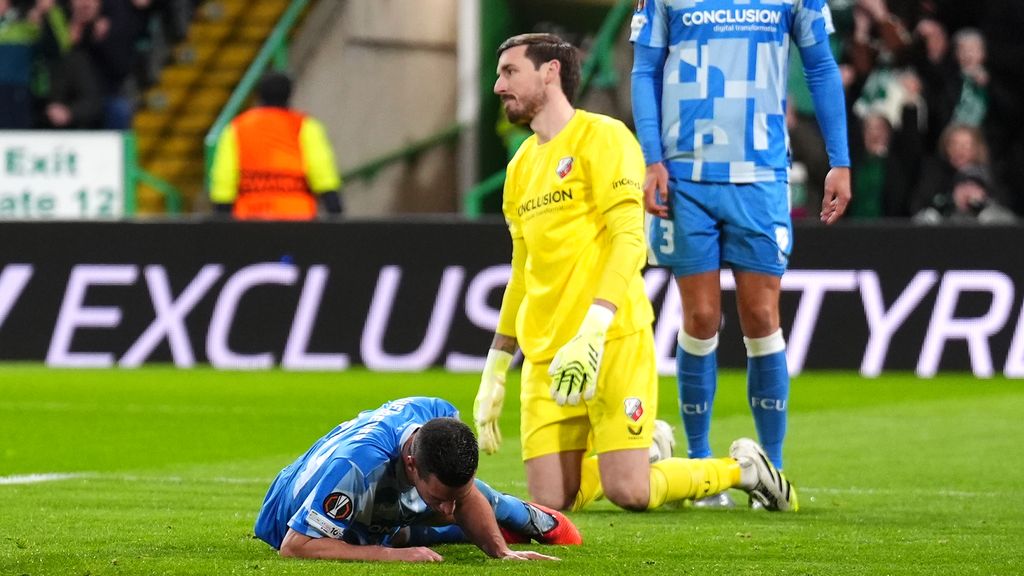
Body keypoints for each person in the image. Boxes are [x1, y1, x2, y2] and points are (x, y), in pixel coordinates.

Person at [473, 33, 797, 515]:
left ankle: (745, 470)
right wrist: (497, 365)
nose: (499, 86)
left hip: (613, 340)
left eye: (509, 72)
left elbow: (630, 240)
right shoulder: (520, 166)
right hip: (546, 355)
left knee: (631, 492)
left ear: (550, 72)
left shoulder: (603, 138)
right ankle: (647, 451)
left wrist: (593, 329)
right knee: (549, 506)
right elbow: (523, 268)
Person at [629, 1, 851, 505]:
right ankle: (702, 464)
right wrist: (651, 158)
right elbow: (645, 69)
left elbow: (820, 65)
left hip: (761, 176)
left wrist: (839, 160)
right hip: (685, 176)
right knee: (700, 317)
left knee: (762, 315)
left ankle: (771, 468)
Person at [254, 396, 577, 563]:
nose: (449, 509)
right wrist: (390, 556)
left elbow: (458, 494)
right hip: (289, 514)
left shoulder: (438, 413)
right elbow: (295, 546)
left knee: (473, 495)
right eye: (440, 498)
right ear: (411, 465)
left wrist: (501, 552)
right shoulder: (356, 468)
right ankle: (493, 519)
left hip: (381, 492)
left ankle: (533, 520)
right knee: (382, 537)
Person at [210, 71, 343, 220]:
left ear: (259, 94)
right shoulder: (305, 125)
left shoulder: (237, 127)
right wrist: (334, 207)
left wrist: (221, 213)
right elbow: (321, 170)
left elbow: (224, 176)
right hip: (297, 217)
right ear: (289, 93)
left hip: (251, 217)